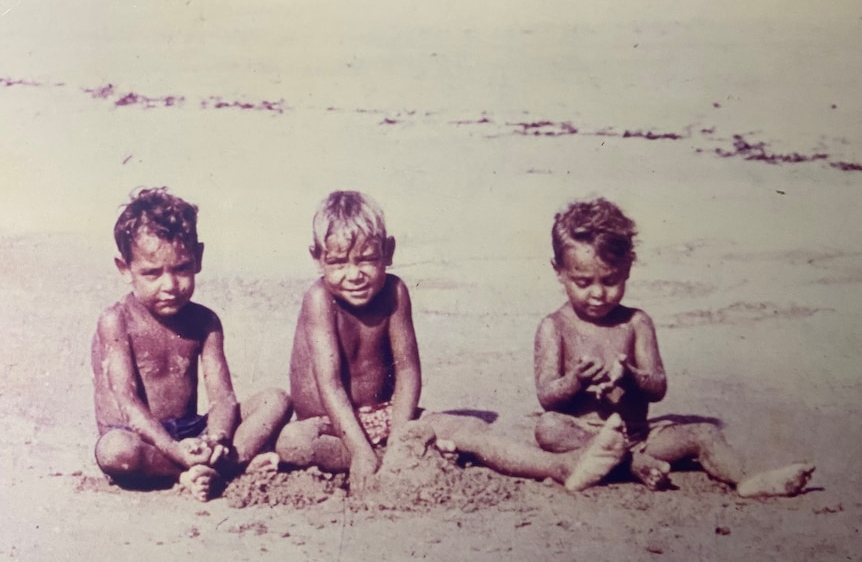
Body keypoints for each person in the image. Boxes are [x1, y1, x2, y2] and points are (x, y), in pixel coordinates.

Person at [275, 190, 628, 494]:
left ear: (388, 250)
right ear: (317, 258)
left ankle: (562, 466)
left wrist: (402, 436)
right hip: (333, 424)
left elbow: (408, 369)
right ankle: (376, 457)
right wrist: (361, 451)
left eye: (367, 259)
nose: (354, 275)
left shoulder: (395, 291)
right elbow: (331, 385)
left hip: (388, 415)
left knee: (471, 431)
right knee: (293, 443)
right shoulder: (319, 300)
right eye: (337, 263)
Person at [533, 197, 815, 497]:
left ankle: (746, 479)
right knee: (548, 427)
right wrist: (576, 380)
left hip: (638, 434)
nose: (599, 293)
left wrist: (631, 376)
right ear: (559, 271)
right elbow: (547, 397)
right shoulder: (554, 327)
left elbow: (658, 388)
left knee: (704, 433)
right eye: (583, 282)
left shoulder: (636, 322)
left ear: (628, 266)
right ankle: (631, 464)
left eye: (611, 280)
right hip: (585, 435)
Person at [92, 187, 292, 501]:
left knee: (275, 400)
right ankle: (192, 473)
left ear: (198, 258)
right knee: (114, 451)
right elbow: (128, 404)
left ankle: (216, 465)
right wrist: (177, 453)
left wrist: (215, 440)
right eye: (152, 273)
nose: (169, 285)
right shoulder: (116, 322)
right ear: (125, 270)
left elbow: (223, 398)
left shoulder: (204, 321)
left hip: (194, 433)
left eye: (181, 268)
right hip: (140, 438)